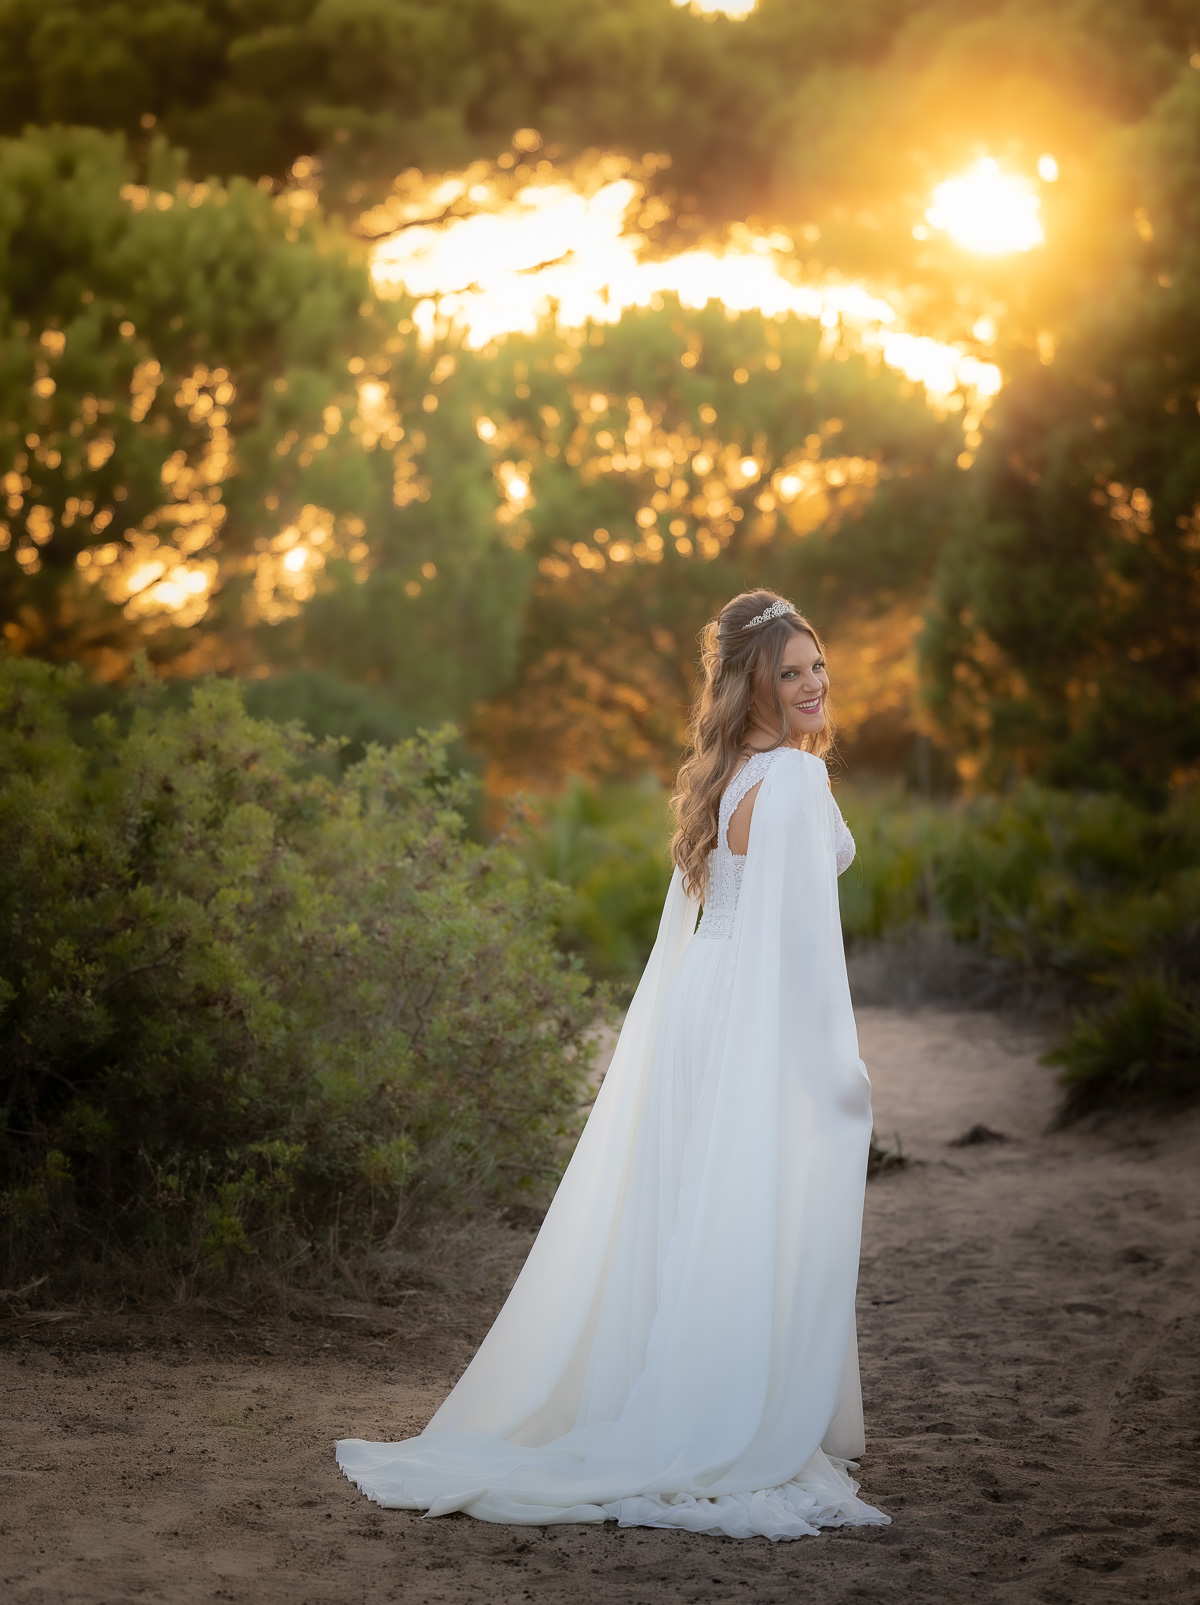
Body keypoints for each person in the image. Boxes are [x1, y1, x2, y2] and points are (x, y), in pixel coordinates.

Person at [336, 589, 890, 1541]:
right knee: (745, 1210)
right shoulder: (793, 783)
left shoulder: (736, 775)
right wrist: (835, 1069)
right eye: (789, 670)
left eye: (816, 664)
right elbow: (803, 943)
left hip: (698, 1008)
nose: (812, 683)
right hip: (751, 1009)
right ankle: (716, 1413)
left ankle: (671, 1391)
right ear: (752, 683)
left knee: (693, 1211)